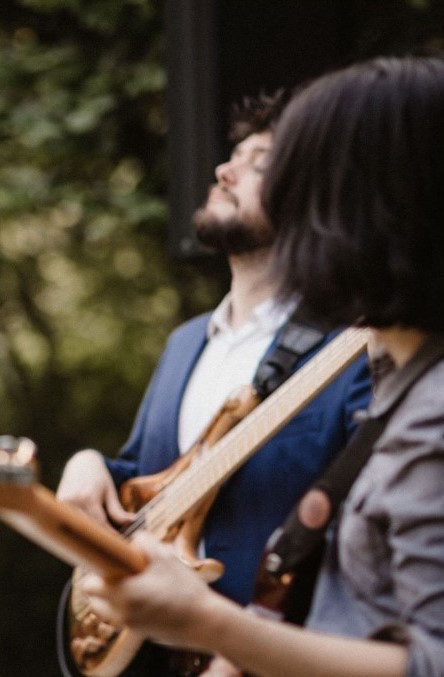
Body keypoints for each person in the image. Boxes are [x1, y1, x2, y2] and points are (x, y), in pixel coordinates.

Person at [78, 55, 444, 677]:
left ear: (380, 211)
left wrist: (211, 624)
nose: (299, 217)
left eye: (306, 187)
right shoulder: (399, 380)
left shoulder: (430, 407)